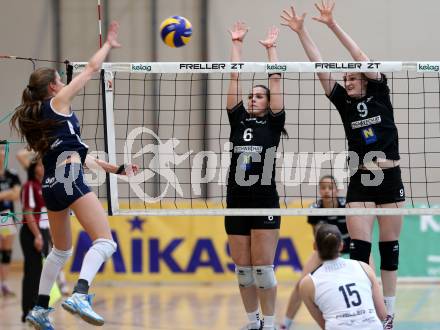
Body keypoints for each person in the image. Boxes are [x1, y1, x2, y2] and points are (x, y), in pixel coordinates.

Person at [281, 2, 404, 328]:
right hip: (361, 181)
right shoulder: (344, 104)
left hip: (390, 178)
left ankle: (388, 313)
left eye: (352, 76)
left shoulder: (379, 91)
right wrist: (302, 31)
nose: (347, 80)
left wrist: (332, 25)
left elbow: (362, 56)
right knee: (359, 253)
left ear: (364, 78)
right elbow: (320, 65)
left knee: (389, 251)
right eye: (345, 77)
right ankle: (360, 311)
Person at [11, 21, 139, 329]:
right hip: (67, 182)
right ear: (55, 87)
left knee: (60, 251)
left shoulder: (39, 118)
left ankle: (40, 309)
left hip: (52, 185)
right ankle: (81, 293)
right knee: (106, 243)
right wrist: (108, 43)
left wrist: (116, 169)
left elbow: (80, 155)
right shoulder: (57, 103)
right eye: (59, 80)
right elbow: (92, 68)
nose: (61, 83)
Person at [225, 21, 285, 330]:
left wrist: (270, 49)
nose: (253, 98)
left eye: (259, 96)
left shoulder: (273, 124)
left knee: (262, 269)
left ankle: (271, 324)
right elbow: (233, 76)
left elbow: (276, 81)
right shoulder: (237, 121)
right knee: (243, 270)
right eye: (252, 96)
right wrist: (237, 44)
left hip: (263, 198)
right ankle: (253, 322)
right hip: (235, 198)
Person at [280, 175, 349, 329]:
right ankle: (285, 323)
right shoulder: (315, 209)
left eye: (330, 187)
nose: (326, 191)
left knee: (369, 276)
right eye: (323, 187)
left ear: (337, 190)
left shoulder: (347, 206)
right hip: (326, 248)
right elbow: (317, 237)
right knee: (301, 284)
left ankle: (378, 317)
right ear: (319, 190)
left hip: (349, 246)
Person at [299, 224, 387, 330]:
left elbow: (324, 325)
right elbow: (382, 314)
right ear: (341, 245)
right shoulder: (364, 268)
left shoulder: (307, 283)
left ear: (314, 246)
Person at [16, 148, 70, 299]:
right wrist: (37, 146)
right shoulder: (32, 183)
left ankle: (61, 282)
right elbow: (20, 155)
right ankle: (37, 303)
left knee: (59, 254)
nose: (42, 167)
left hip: (49, 226)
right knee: (38, 267)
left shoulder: (51, 177)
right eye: (40, 165)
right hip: (38, 229)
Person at [0, 143, 21, 297]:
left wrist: (2, 195)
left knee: (6, 252)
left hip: (6, 216)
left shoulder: (12, 175)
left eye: (2, 153)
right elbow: (12, 193)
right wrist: (8, 193)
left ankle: (4, 284)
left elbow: (16, 195)